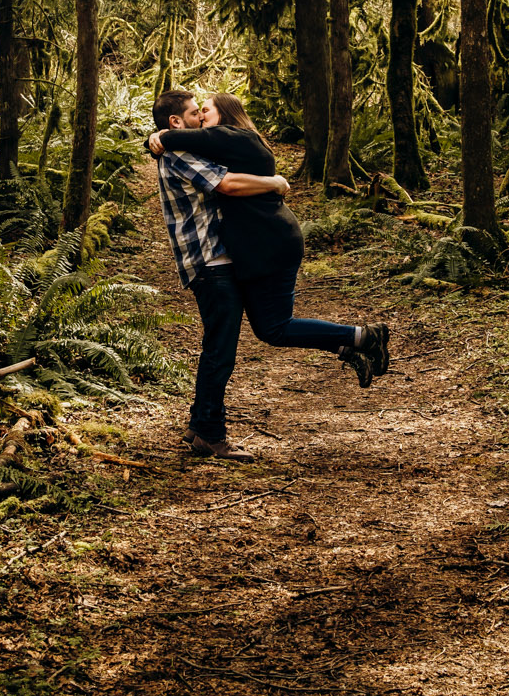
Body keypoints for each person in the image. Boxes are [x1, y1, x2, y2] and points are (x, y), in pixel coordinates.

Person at [147, 87, 391, 462]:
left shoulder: (184, 145)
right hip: (210, 263)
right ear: (176, 122)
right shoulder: (178, 152)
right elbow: (226, 183)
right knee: (221, 350)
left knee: (260, 330)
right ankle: (210, 434)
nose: (200, 119)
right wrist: (275, 183)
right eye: (196, 113)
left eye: (203, 111)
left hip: (225, 260)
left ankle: (201, 426)